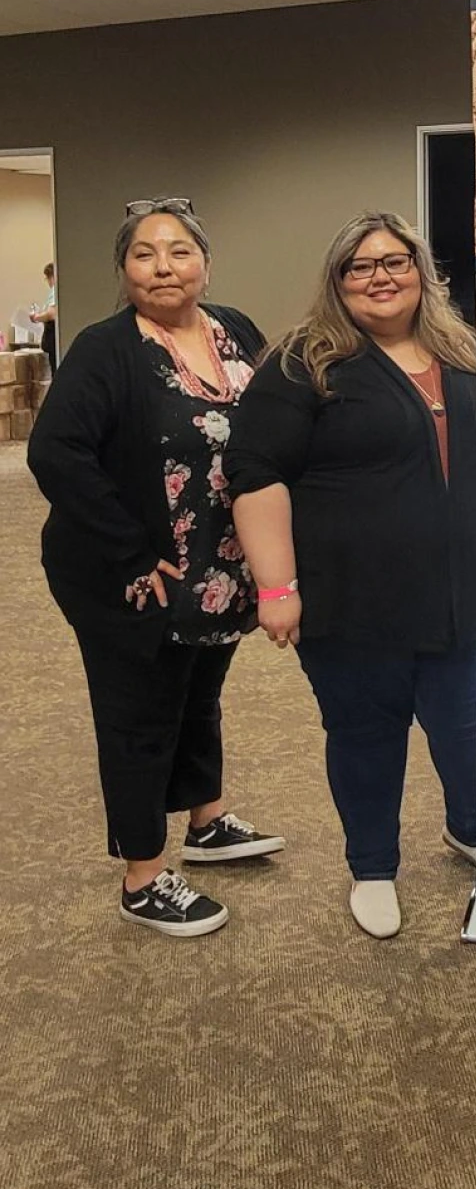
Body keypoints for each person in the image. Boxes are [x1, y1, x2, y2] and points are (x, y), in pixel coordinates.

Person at [27, 198, 284, 939]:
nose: (163, 266)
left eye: (178, 251)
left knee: (198, 693)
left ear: (205, 263)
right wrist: (132, 549)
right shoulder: (106, 348)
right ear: (124, 269)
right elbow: (55, 453)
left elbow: (266, 425)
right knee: (137, 714)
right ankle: (142, 874)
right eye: (144, 254)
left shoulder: (234, 330)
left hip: (219, 567)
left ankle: (205, 820)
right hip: (130, 571)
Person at [224, 212, 476, 940]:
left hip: (461, 597)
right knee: (368, 736)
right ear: (337, 281)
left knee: (467, 730)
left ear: (422, 271)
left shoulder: (462, 352)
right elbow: (254, 474)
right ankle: (373, 867)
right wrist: (276, 588)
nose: (380, 277)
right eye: (359, 266)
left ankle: (469, 829)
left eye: (395, 262)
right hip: (353, 602)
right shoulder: (304, 362)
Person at [29, 261, 58, 374]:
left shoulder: (55, 290)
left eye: (47, 278)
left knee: (55, 371)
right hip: (52, 340)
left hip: (52, 338)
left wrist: (36, 317)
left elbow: (51, 314)